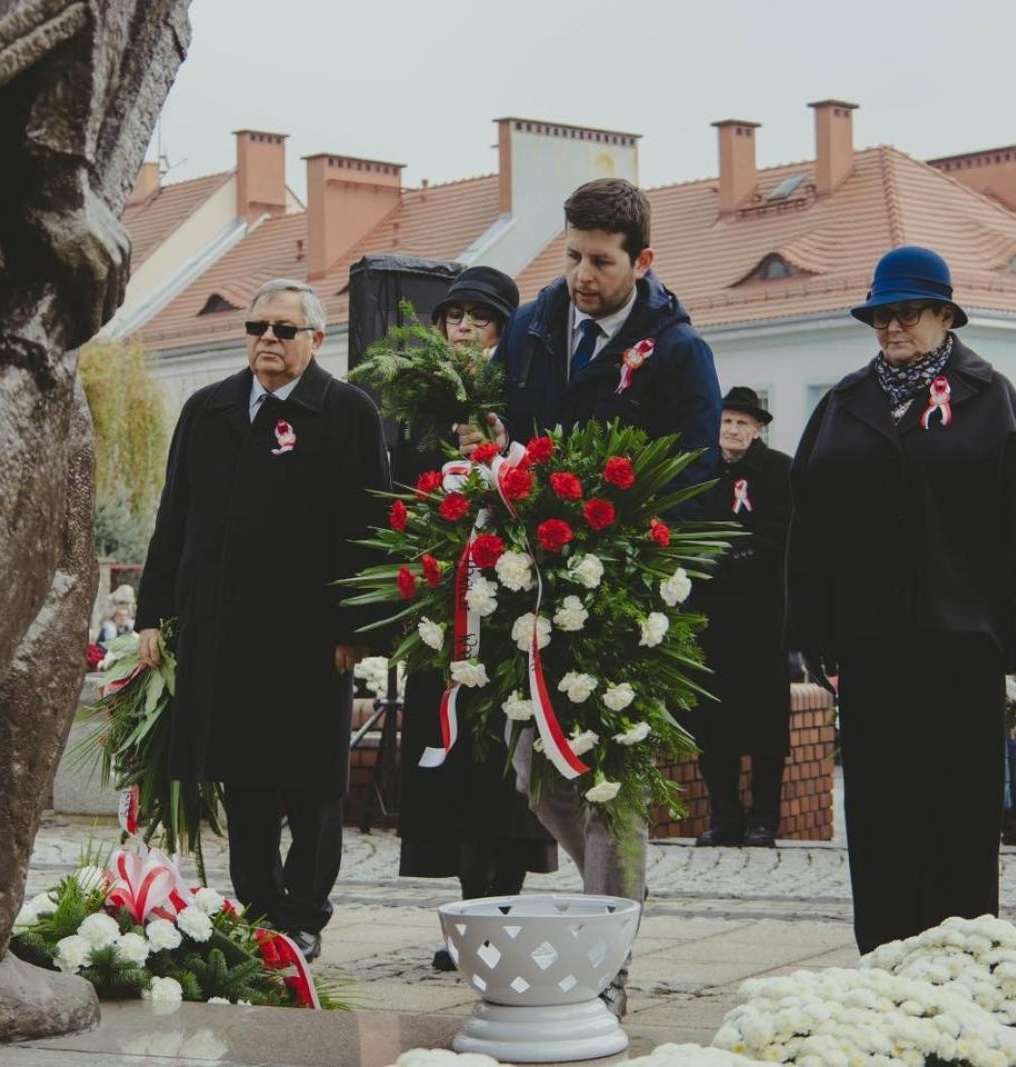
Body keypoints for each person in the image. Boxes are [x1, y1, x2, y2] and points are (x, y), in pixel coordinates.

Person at [457, 177, 723, 1016]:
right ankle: (608, 896)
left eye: (600, 262)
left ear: (642, 261)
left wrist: (635, 544)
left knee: (609, 775)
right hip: (528, 575)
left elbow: (698, 472)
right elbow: (502, 420)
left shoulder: (677, 350)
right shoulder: (535, 326)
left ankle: (608, 953)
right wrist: (486, 448)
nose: (581, 275)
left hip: (620, 587)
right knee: (536, 770)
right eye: (571, 255)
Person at [787, 245, 1016, 955]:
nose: (891, 328)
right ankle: (883, 955)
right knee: (879, 808)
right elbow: (808, 523)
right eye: (880, 316)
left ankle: (963, 955)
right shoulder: (846, 404)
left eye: (906, 314)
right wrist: (809, 631)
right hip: (872, 642)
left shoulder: (988, 395)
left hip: (963, 639)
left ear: (945, 315)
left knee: (961, 808)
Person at [134, 278, 389, 961]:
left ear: (315, 338)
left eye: (282, 328)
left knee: (309, 785)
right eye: (256, 328)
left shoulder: (347, 412)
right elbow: (174, 518)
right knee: (244, 782)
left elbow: (368, 529)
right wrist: (153, 613)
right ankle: (260, 911)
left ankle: (304, 914)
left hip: (309, 637)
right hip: (222, 630)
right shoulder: (207, 409)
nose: (267, 340)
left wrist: (355, 628)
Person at [395, 266, 557, 971]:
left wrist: (496, 451)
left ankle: (505, 913)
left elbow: (549, 479)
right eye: (454, 315)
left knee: (506, 770)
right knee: (452, 764)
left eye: (480, 317)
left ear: (504, 330)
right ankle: (466, 921)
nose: (463, 326)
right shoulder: (420, 405)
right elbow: (397, 491)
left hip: (510, 606)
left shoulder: (521, 395)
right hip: (442, 609)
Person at [690, 386, 793, 849]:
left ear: (758, 430)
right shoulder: (700, 469)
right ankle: (724, 815)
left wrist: (734, 556)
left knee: (767, 721)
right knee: (713, 721)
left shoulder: (778, 470)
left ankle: (763, 818)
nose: (732, 430)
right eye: (726, 422)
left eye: (742, 424)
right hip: (711, 616)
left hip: (761, 615)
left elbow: (781, 530)